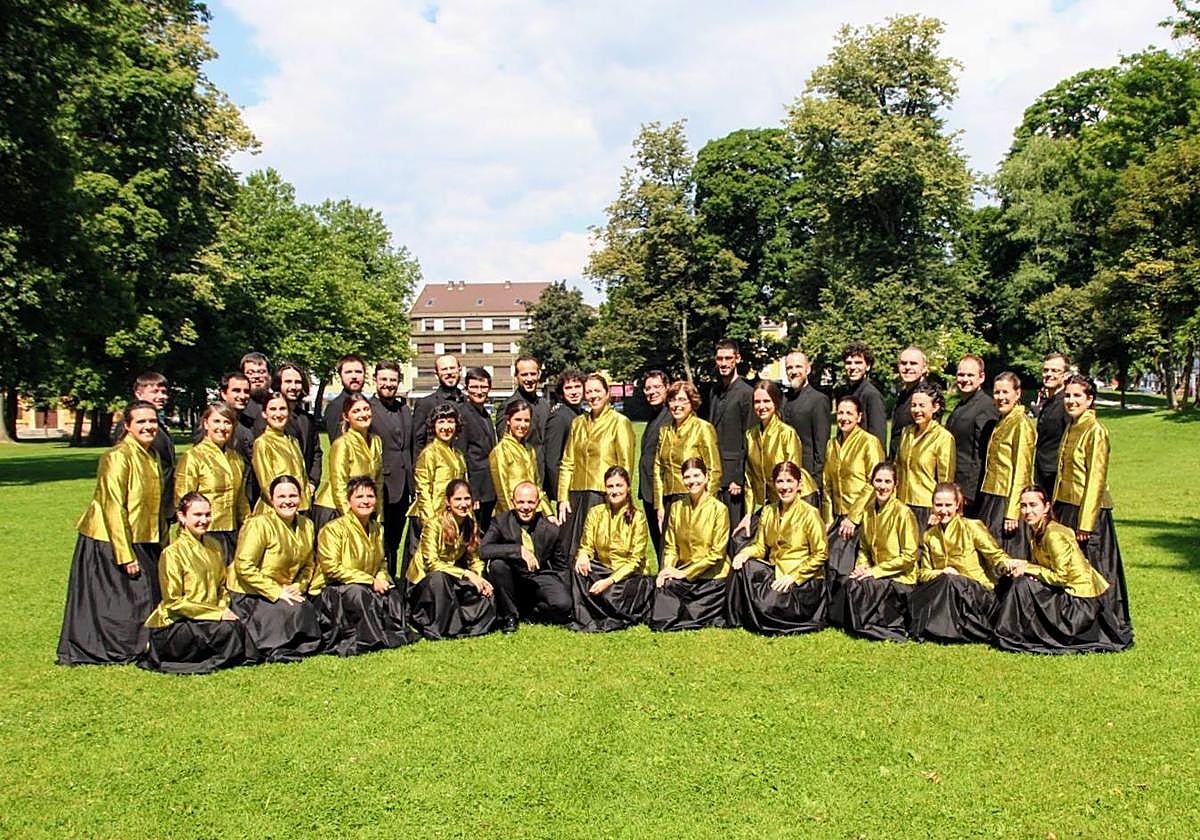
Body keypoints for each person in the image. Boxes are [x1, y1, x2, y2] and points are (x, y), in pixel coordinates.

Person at [57, 401, 165, 665]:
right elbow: (113, 505)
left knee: (144, 595)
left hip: (143, 536)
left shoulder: (152, 455)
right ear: (127, 425)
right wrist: (125, 554)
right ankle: (111, 647)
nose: (148, 426)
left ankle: (139, 644)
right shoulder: (117, 456)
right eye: (141, 422)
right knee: (118, 599)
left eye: (152, 421)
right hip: (109, 539)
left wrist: (162, 541)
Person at [991, 486, 1132, 654]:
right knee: (1020, 582)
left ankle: (1009, 635)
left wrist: (1028, 568)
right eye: (1023, 505)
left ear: (1046, 507)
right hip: (1067, 593)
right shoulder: (1037, 530)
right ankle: (1013, 633)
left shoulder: (1053, 535)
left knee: (1023, 585)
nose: (1027, 511)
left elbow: (1061, 577)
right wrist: (1028, 569)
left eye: (1033, 505)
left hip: (1080, 605)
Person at [1052, 374, 1132, 631]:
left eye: (1077, 396)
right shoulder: (1071, 426)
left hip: (1089, 511)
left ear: (1090, 400)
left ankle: (1107, 621)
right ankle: (1075, 619)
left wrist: (1086, 523)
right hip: (1066, 505)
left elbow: (1096, 479)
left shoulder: (1096, 430)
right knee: (1071, 566)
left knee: (1096, 567)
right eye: (1068, 395)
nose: (1071, 401)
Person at [139, 492, 245, 674]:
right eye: (197, 515)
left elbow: (221, 586)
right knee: (227, 631)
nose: (204, 520)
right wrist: (216, 613)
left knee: (237, 624)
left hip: (207, 619)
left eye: (207, 514)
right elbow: (173, 602)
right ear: (182, 517)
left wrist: (222, 607)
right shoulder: (172, 553)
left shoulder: (214, 546)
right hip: (176, 623)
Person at [226, 475, 324, 662]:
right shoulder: (259, 524)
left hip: (287, 590)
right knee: (290, 610)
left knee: (304, 608)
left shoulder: (307, 525)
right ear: (271, 499)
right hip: (250, 593)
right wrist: (276, 592)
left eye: (293, 496)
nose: (288, 501)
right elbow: (244, 566)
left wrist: (299, 586)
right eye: (281, 497)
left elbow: (309, 564)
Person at [316, 476, 416, 656]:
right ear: (348, 501)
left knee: (391, 592)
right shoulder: (333, 529)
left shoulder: (377, 528)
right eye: (359, 497)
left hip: (366, 584)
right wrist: (370, 580)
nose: (365, 501)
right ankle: (366, 638)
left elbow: (382, 562)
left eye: (370, 496)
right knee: (358, 593)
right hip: (335, 589)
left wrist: (381, 577)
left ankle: (392, 633)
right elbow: (331, 568)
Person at [728, 461, 828, 636]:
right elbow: (760, 547)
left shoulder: (810, 513)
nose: (785, 487)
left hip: (802, 582)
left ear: (799, 485)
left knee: (767, 604)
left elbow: (821, 554)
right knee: (741, 566)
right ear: (774, 485)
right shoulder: (768, 511)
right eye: (780, 482)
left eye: (790, 481)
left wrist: (794, 576)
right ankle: (738, 617)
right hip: (775, 571)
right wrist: (744, 553)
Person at [908, 483, 1010, 644]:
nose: (943, 510)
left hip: (976, 592)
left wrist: (1010, 566)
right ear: (932, 506)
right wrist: (942, 572)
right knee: (943, 582)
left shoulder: (972, 527)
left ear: (957, 505)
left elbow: (996, 555)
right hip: (945, 588)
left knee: (950, 582)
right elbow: (923, 573)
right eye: (939, 505)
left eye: (948, 505)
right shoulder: (929, 535)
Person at [556, 372, 636, 561]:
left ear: (607, 393)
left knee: (599, 550)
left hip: (602, 495)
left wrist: (620, 498)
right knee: (571, 550)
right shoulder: (578, 423)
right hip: (576, 496)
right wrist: (562, 498)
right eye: (589, 391)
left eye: (597, 391)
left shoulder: (619, 422)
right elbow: (567, 462)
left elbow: (625, 465)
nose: (593, 396)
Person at [406, 479, 498, 640]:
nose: (463, 504)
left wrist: (479, 579)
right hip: (426, 583)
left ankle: (463, 623)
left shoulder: (470, 523)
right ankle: (437, 625)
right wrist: (467, 574)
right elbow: (431, 563)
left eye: (467, 499)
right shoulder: (433, 525)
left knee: (485, 594)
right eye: (458, 499)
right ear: (448, 501)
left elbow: (474, 558)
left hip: (451, 578)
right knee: (439, 579)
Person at [838, 462, 918, 641]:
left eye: (887, 482)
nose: (882, 486)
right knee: (851, 583)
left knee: (868, 586)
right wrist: (861, 568)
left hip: (900, 578)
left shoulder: (903, 513)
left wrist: (874, 572)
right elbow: (865, 548)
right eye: (878, 481)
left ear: (895, 486)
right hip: (876, 573)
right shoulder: (867, 511)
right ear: (871, 483)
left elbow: (909, 556)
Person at [648, 458, 731, 631]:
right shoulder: (677, 508)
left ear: (707, 477)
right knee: (662, 595)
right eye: (687, 477)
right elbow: (670, 546)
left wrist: (683, 573)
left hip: (712, 580)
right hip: (683, 577)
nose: (692, 481)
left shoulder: (719, 509)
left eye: (696, 475)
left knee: (686, 612)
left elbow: (717, 554)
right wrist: (668, 570)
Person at [734, 380, 817, 550]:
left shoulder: (787, 433)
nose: (761, 406)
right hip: (771, 502)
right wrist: (748, 514)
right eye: (757, 402)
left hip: (798, 497)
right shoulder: (751, 435)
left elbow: (794, 476)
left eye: (766, 401)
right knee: (740, 539)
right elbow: (750, 478)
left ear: (776, 403)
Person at [570, 466, 655, 632]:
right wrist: (583, 555)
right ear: (605, 488)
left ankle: (609, 613)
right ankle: (585, 617)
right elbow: (586, 545)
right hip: (603, 570)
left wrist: (608, 581)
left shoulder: (638, 518)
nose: (614, 491)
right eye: (610, 486)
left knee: (610, 594)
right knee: (578, 568)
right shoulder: (595, 513)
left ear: (628, 487)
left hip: (628, 576)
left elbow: (635, 561)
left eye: (619, 486)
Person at [480, 481, 572, 633]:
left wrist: (567, 592)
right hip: (511, 577)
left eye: (530, 502)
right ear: (512, 502)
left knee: (563, 605)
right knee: (498, 565)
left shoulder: (551, 529)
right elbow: (483, 550)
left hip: (538, 576)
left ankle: (530, 610)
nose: (526, 507)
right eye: (521, 502)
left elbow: (561, 567)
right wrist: (518, 550)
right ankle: (510, 616)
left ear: (538, 503)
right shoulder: (500, 522)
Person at [175, 402, 251, 562]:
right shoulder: (193, 457)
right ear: (205, 423)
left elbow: (241, 499)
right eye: (217, 421)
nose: (222, 427)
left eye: (227, 422)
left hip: (231, 533)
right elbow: (183, 501)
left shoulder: (236, 459)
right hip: (204, 531)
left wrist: (248, 527)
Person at [821, 395, 886, 579]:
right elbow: (827, 483)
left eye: (849, 413)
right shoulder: (832, 444)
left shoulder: (868, 442)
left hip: (861, 517)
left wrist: (853, 517)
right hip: (838, 518)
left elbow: (874, 482)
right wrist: (828, 519)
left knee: (843, 566)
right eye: (840, 413)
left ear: (859, 417)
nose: (844, 417)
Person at [976, 372, 1036, 560]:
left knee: (1006, 552)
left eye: (1005, 392)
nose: (1001, 397)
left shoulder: (1021, 423)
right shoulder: (1003, 421)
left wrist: (1013, 511)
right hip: (991, 494)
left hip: (1007, 498)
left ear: (1017, 394)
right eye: (996, 392)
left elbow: (1022, 470)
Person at [654, 379, 721, 538]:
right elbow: (658, 469)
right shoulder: (665, 430)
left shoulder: (703, 428)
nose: (676, 405)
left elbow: (714, 469)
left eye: (682, 400)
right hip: (669, 501)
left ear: (692, 402)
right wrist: (660, 506)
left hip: (694, 498)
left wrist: (706, 505)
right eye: (672, 400)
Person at [312, 393, 384, 533]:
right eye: (356, 411)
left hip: (362, 507)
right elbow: (339, 484)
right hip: (335, 509)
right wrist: (350, 518)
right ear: (346, 417)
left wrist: (378, 514)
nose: (363, 414)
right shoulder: (342, 444)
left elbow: (378, 481)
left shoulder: (376, 441)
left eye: (366, 409)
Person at [369, 360, 414, 574]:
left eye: (393, 380)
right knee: (379, 538)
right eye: (384, 379)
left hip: (404, 484)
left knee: (396, 538)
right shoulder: (367, 409)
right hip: (381, 485)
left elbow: (409, 446)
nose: (388, 384)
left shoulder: (404, 408)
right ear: (375, 380)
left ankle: (394, 577)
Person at [895, 383, 955, 535]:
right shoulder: (906, 432)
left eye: (922, 405)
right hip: (902, 505)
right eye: (914, 405)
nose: (916, 410)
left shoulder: (943, 437)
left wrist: (938, 511)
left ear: (935, 408)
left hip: (926, 508)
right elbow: (898, 467)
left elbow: (945, 480)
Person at [707, 340, 755, 524]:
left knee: (734, 530)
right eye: (720, 359)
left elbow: (749, 438)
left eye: (728, 358)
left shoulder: (746, 393)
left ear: (737, 359)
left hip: (733, 478)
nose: (724, 363)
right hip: (715, 473)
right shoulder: (715, 391)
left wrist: (739, 477)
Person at [945, 354, 999, 514]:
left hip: (970, 489)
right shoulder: (961, 405)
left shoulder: (986, 407)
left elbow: (981, 454)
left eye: (970, 375)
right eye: (961, 374)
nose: (965, 379)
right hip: (955, 482)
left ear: (981, 377)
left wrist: (969, 493)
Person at [252, 391, 313, 515]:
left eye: (282, 409)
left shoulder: (293, 441)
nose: (278, 414)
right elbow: (266, 484)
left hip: (299, 509)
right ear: (264, 413)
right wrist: (285, 508)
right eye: (273, 409)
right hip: (275, 511)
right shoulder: (263, 443)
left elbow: (303, 476)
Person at [489, 401, 553, 518]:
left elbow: (537, 486)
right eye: (518, 420)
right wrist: (514, 520)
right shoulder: (501, 451)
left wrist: (549, 514)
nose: (522, 425)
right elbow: (503, 492)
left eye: (526, 420)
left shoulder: (529, 449)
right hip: (510, 516)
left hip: (532, 513)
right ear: (508, 420)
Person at [782, 351, 831, 496]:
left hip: (808, 475)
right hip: (785, 475)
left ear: (807, 369)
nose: (794, 371)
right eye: (789, 368)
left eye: (798, 367)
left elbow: (821, 445)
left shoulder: (818, 400)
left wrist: (815, 481)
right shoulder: (783, 399)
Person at [497, 356, 550, 486]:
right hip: (521, 476)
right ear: (516, 376)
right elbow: (505, 446)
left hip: (544, 475)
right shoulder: (508, 406)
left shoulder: (544, 405)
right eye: (524, 375)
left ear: (539, 374)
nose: (529, 379)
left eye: (533, 374)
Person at [132, 371, 176, 525]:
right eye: (155, 391)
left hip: (161, 504)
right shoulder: (132, 426)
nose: (162, 396)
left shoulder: (158, 424)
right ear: (139, 394)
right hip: (144, 507)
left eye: (164, 392)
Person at [272, 361, 322, 489]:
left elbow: (316, 453)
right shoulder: (271, 419)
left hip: (306, 490)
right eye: (288, 382)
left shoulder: (307, 419)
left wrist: (312, 482)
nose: (293, 387)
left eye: (298, 382)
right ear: (279, 384)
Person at [637, 371, 670, 557]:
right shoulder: (655, 416)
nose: (652, 392)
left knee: (666, 544)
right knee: (658, 544)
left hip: (663, 492)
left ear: (666, 387)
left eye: (657, 387)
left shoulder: (670, 416)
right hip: (649, 492)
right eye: (648, 388)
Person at [460, 367, 498, 531]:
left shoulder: (485, 415)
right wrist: (470, 492)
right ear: (466, 388)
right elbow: (461, 456)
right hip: (475, 489)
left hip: (488, 487)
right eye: (474, 387)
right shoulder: (463, 414)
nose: (479, 391)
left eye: (483, 387)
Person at [542, 369, 585, 501]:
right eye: (568, 388)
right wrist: (561, 497)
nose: (573, 392)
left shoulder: (580, 414)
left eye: (577, 387)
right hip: (567, 490)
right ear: (562, 392)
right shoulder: (559, 417)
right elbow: (552, 460)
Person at [1031, 352, 1070, 496]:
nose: (1049, 374)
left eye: (1055, 371)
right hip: (1042, 472)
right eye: (1046, 370)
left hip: (1056, 475)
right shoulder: (1049, 402)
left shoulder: (1067, 403)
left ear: (1065, 375)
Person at [412, 353, 464, 455]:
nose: (449, 372)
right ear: (436, 374)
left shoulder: (467, 402)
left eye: (452, 368)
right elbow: (418, 443)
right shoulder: (425, 404)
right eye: (444, 369)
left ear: (459, 370)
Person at [838, 341, 886, 449]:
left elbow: (878, 439)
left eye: (858, 362)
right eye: (849, 363)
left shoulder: (872, 395)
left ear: (868, 366)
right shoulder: (845, 392)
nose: (853, 367)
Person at [889, 346, 929, 458]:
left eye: (913, 363)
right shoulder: (903, 395)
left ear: (924, 368)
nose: (907, 367)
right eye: (903, 363)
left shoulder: (927, 396)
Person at [325, 353, 366, 443]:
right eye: (348, 372)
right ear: (340, 376)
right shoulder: (336, 407)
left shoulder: (368, 404)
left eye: (358, 372)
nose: (354, 376)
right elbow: (338, 444)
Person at [239, 351, 272, 433]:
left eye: (261, 372)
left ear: (269, 375)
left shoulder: (279, 403)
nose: (256, 376)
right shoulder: (238, 409)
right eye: (250, 373)